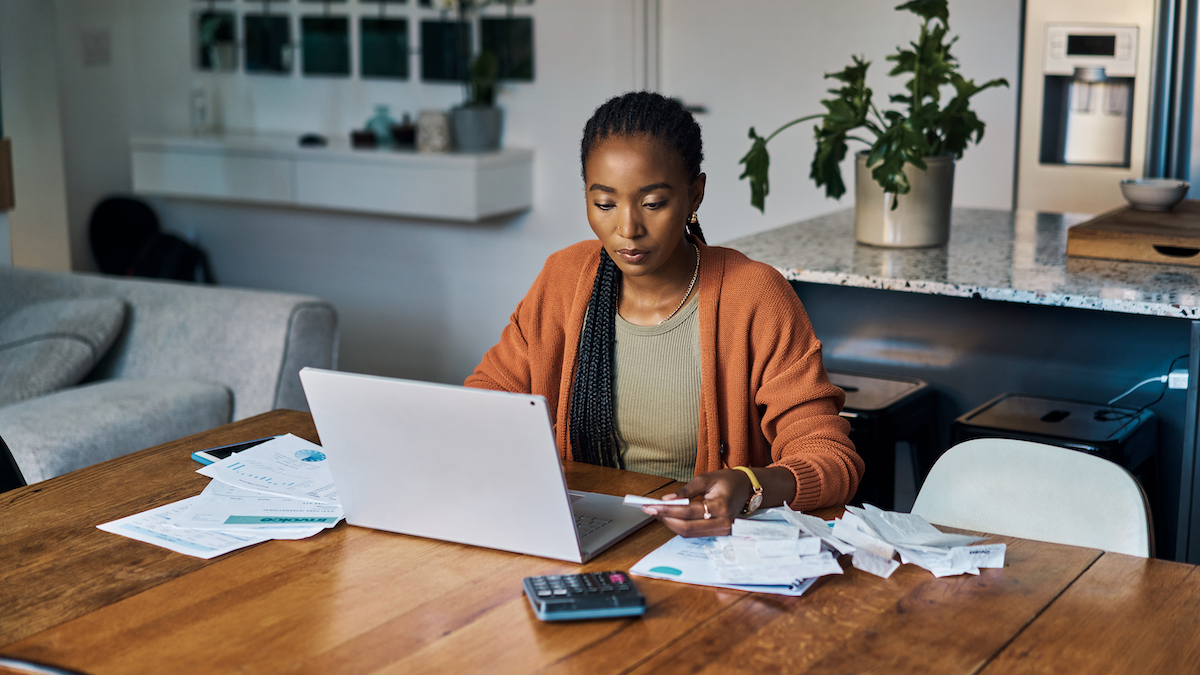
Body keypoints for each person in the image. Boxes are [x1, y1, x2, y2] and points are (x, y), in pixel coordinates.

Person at [466, 91, 862, 537]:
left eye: (653, 203)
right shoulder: (564, 279)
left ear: (695, 194)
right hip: (582, 534)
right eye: (604, 204)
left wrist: (750, 486)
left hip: (707, 551)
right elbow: (486, 403)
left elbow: (831, 458)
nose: (627, 228)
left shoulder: (754, 296)